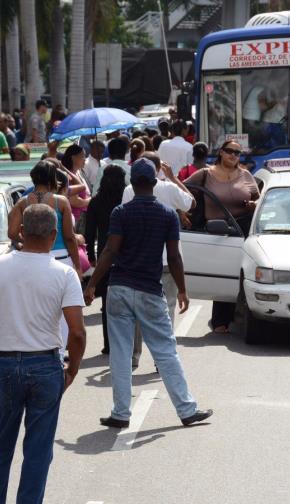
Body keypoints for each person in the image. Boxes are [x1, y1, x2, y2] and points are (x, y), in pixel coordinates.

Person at [0, 204, 87, 504]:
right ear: (54, 235)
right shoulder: (65, 275)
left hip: (7, 364)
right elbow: (77, 332)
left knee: (0, 447)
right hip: (46, 364)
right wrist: (71, 370)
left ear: (21, 232)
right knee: (38, 451)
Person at [84, 159, 212, 429]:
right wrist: (183, 290)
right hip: (149, 289)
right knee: (165, 351)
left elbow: (109, 251)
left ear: (132, 183)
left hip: (118, 288)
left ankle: (120, 413)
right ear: (155, 183)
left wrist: (93, 283)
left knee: (120, 353)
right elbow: (174, 257)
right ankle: (186, 410)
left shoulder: (120, 212)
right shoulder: (167, 215)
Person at [184, 140, 259, 334]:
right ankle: (220, 321)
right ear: (220, 152)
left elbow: (258, 198)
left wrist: (253, 204)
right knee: (225, 273)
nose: (233, 155)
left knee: (244, 273)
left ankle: (241, 315)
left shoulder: (245, 174)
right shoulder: (205, 174)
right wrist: (180, 211)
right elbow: (182, 192)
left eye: (237, 152)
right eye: (229, 151)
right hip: (217, 231)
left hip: (244, 229)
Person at [123, 152, 195, 326]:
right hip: (166, 262)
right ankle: (165, 350)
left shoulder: (128, 191)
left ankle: (135, 353)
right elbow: (191, 203)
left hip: (138, 261)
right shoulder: (169, 188)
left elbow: (124, 228)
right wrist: (173, 178)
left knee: (138, 309)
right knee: (167, 308)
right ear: (158, 170)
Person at [8, 160, 82, 274]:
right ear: (52, 179)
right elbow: (69, 237)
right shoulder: (61, 201)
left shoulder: (23, 202)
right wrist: (78, 266)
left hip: (32, 258)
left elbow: (12, 233)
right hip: (61, 259)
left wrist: (30, 240)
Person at [84, 166, 127, 354]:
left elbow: (89, 232)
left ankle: (108, 344)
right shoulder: (126, 201)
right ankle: (125, 343)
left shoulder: (95, 202)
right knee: (126, 302)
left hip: (104, 254)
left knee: (107, 304)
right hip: (126, 254)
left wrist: (91, 257)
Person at [61, 144, 91, 225]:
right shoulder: (68, 177)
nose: (85, 159)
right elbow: (74, 201)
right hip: (76, 219)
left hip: (84, 216)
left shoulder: (79, 172)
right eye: (82, 156)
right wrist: (89, 201)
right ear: (73, 158)